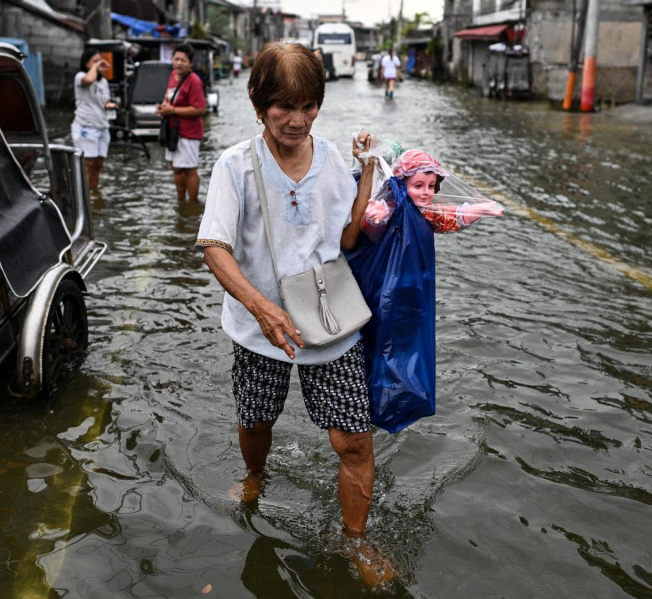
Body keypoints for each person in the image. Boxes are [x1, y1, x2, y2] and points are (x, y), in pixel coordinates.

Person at [194, 41, 391, 585]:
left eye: (308, 107)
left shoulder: (331, 161)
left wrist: (367, 175)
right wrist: (261, 308)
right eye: (284, 107)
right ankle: (255, 474)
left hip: (330, 319)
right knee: (256, 419)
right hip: (260, 328)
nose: (297, 120)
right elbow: (214, 246)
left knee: (354, 440)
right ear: (259, 105)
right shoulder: (235, 166)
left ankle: (355, 540)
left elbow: (346, 237)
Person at [362, 149, 504, 240]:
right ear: (400, 185)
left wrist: (480, 209)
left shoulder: (427, 212)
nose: (426, 192)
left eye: (431, 186)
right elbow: (372, 232)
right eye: (418, 186)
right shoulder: (391, 208)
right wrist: (378, 218)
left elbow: (451, 217)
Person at [156, 43, 207, 203]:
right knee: (176, 168)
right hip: (173, 131)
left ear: (190, 63)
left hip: (188, 133)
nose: (178, 63)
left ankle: (192, 204)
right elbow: (170, 98)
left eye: (183, 60)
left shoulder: (194, 81)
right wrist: (163, 107)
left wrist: (172, 110)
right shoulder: (173, 75)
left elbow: (200, 109)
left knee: (189, 169)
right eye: (176, 59)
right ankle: (181, 201)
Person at [72, 48, 117, 193]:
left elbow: (105, 100)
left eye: (100, 61)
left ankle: (94, 192)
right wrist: (97, 66)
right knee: (87, 164)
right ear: (87, 64)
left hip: (102, 126)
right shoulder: (80, 76)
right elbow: (88, 80)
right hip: (86, 126)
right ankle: (82, 195)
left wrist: (109, 105)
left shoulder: (103, 81)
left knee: (98, 164)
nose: (99, 64)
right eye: (95, 61)